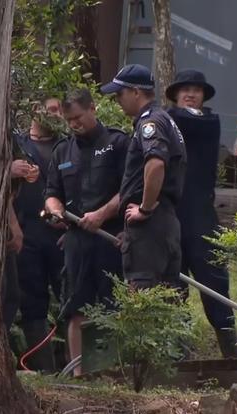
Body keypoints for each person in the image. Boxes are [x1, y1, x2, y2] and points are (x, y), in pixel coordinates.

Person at [44, 88, 129, 376]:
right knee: (76, 306)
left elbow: (129, 190)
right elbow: (52, 193)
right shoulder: (62, 151)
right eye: (69, 120)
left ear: (93, 109)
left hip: (111, 239)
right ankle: (79, 374)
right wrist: (55, 210)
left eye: (78, 117)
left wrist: (102, 214)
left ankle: (112, 371)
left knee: (112, 305)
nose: (74, 124)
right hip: (77, 241)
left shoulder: (117, 143)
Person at [165, 70, 237, 359]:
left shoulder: (207, 121)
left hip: (201, 217)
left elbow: (184, 120)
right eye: (184, 89)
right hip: (171, 216)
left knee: (214, 284)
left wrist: (157, 115)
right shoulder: (167, 119)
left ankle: (233, 357)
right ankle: (178, 357)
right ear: (175, 93)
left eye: (196, 90)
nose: (190, 93)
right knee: (172, 288)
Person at [100, 64, 186, 291]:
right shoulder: (165, 120)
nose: (117, 100)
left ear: (136, 92)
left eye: (120, 94)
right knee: (166, 298)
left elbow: (156, 163)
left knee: (142, 297)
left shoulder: (150, 122)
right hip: (165, 221)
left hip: (151, 223)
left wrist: (145, 209)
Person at [12, 97, 64, 371]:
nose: (57, 114)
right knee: (32, 300)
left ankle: (77, 367)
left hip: (61, 235)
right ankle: (44, 368)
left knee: (69, 296)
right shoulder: (18, 145)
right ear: (35, 110)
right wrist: (12, 170)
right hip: (26, 232)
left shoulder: (68, 146)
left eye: (60, 110)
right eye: (51, 109)